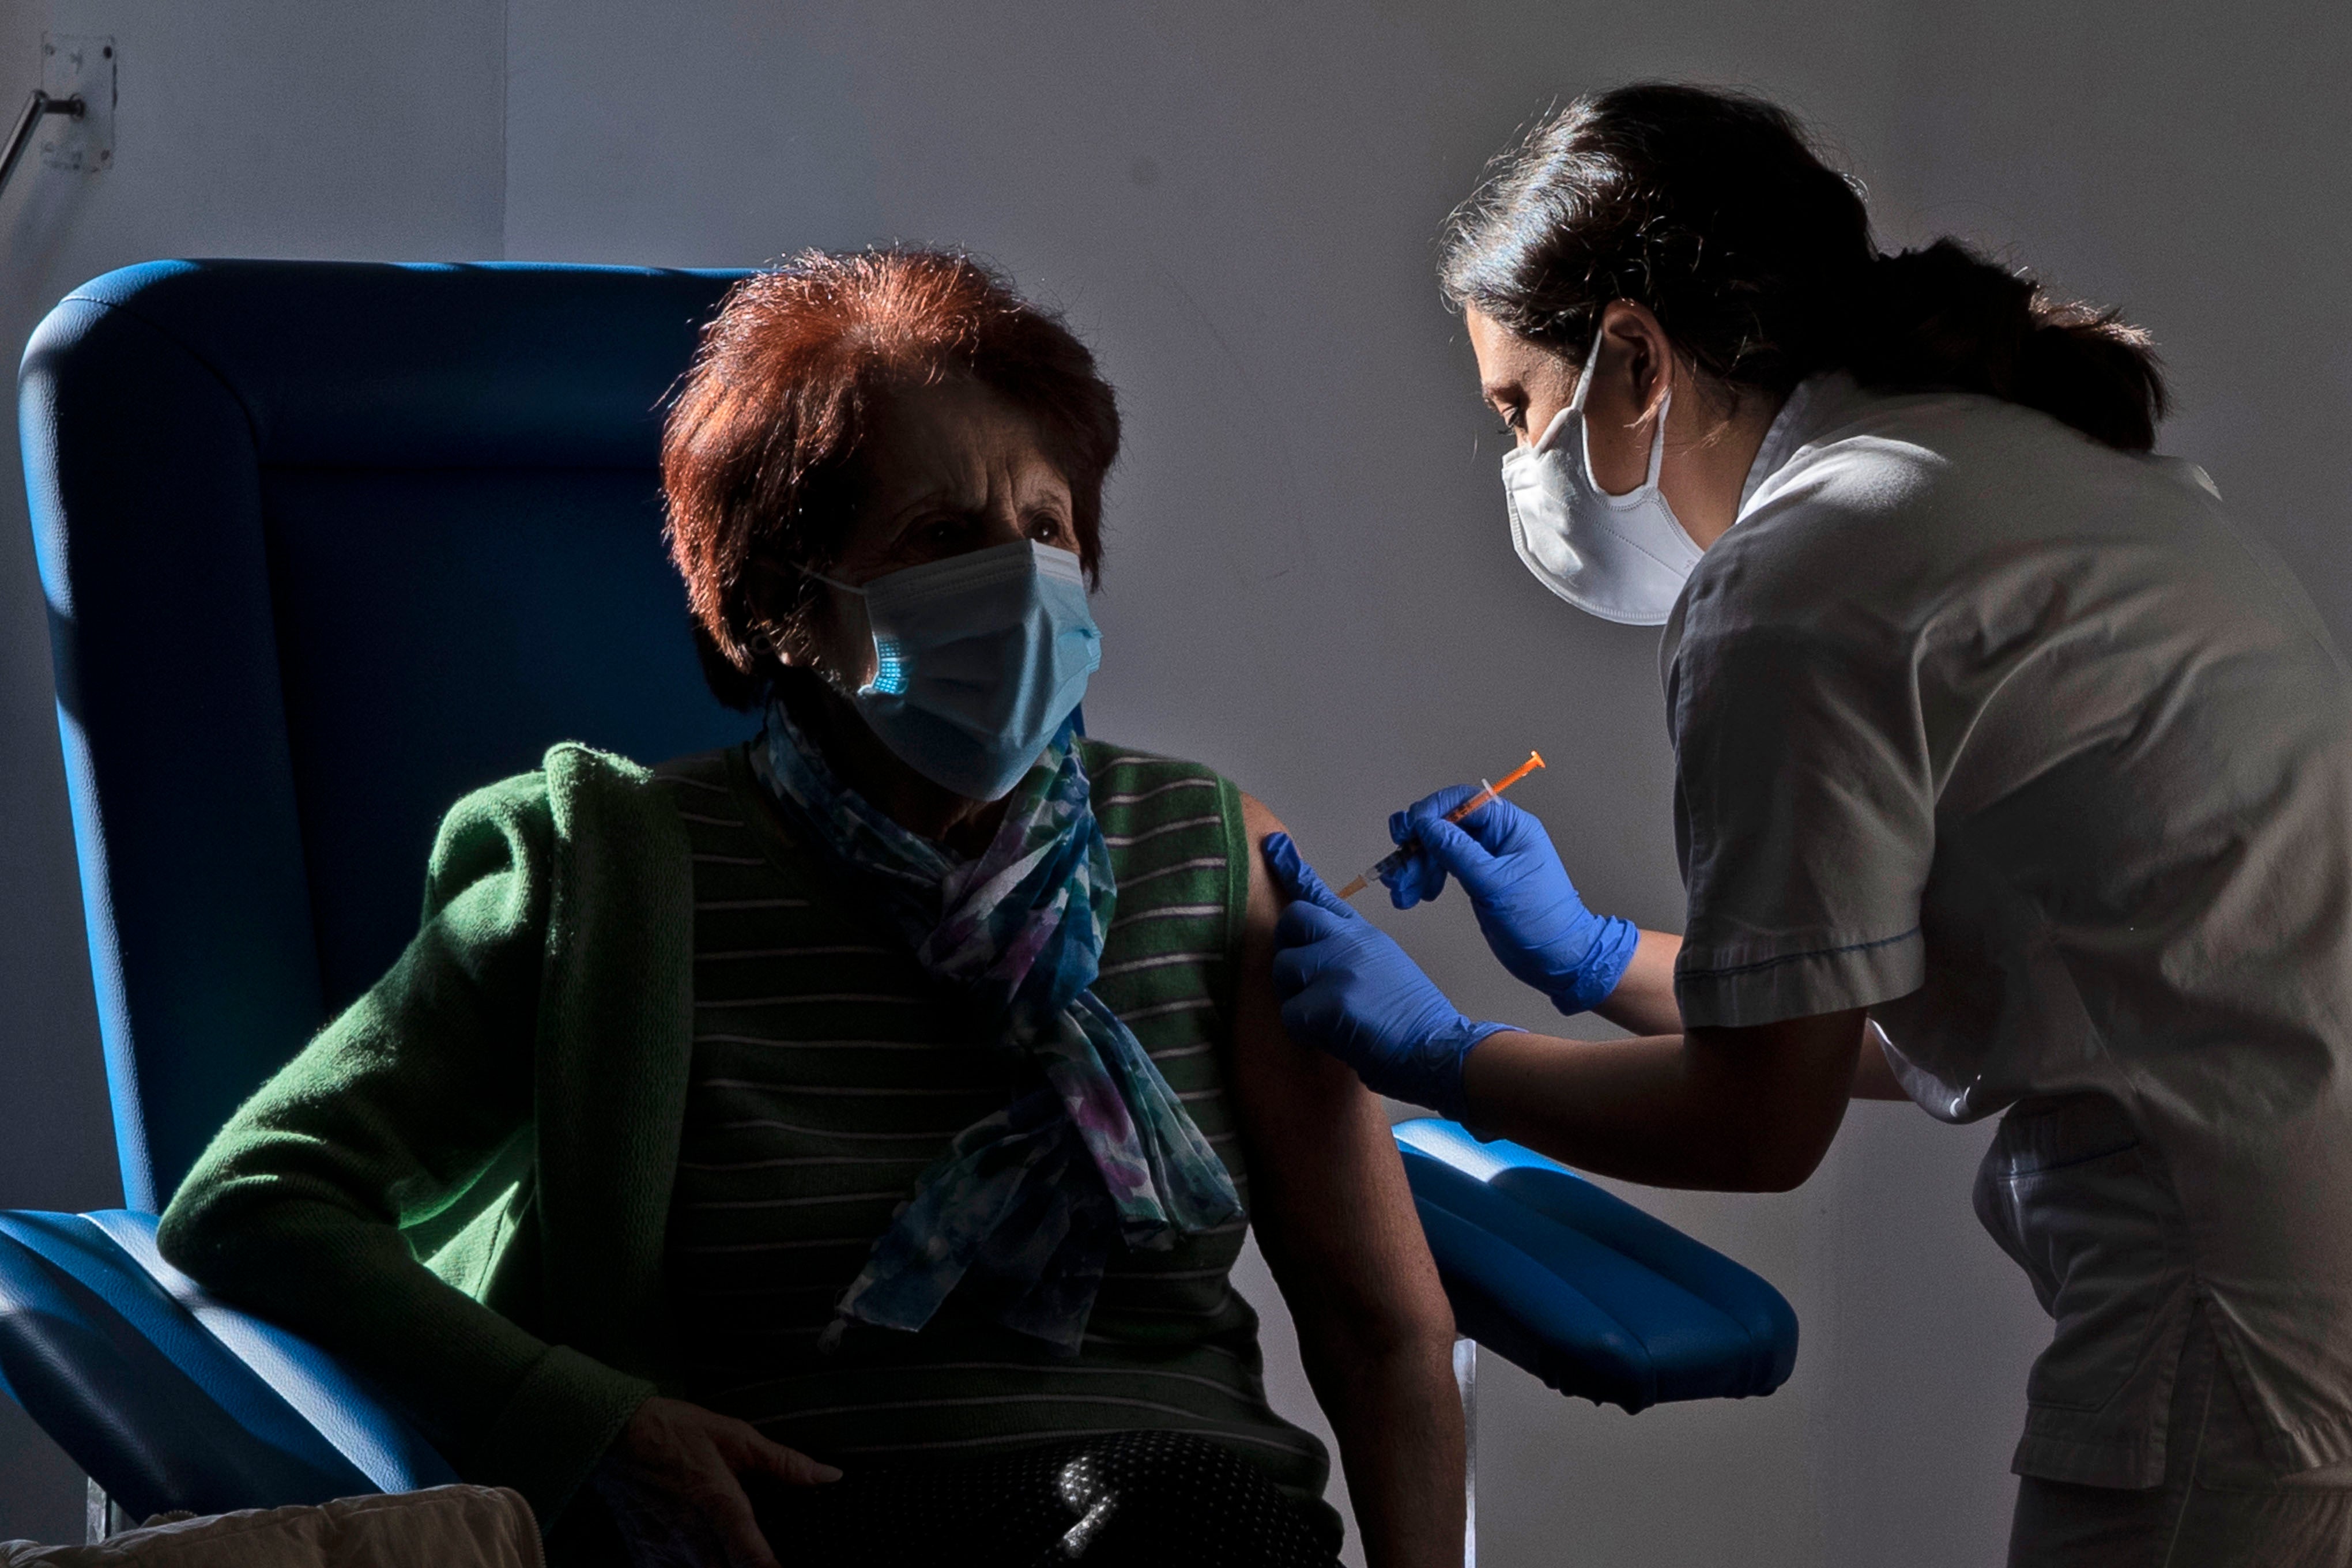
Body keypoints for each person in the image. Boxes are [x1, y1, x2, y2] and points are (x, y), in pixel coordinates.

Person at [157, 249, 1464, 1568]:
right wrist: (593, 1424)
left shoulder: (1209, 850)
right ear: (784, 603)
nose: (1019, 586)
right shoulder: (612, 877)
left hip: (1182, 1526)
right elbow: (255, 1198)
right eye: (943, 537)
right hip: (792, 1535)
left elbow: (1379, 1326)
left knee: (1175, 1520)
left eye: (1048, 528)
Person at [1265, 83, 2352, 1566]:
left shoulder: (1793, 578)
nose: (1520, 461)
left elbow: (1755, 1120)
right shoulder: (2037, 480)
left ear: (1636, 359)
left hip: (2239, 1357)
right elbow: (2025, 993)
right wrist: (1591, 958)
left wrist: (1444, 1055)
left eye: (1517, 407)